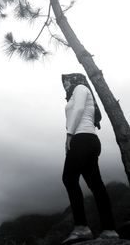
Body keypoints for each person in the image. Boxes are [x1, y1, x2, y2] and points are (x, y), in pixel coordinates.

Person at [61, 73, 119, 244]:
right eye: (63, 81)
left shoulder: (80, 88)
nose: (64, 83)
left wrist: (69, 135)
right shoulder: (76, 93)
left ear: (75, 79)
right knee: (96, 184)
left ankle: (81, 227)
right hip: (89, 141)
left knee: (69, 179)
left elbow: (78, 110)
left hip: (82, 139)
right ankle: (109, 230)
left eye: (66, 80)